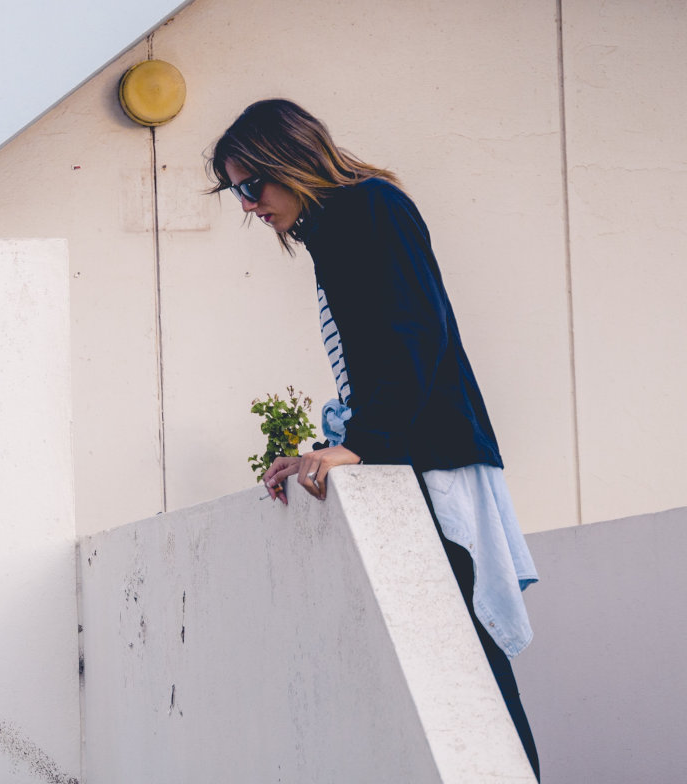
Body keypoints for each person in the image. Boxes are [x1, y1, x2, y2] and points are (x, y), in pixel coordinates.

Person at [208, 99, 540, 778]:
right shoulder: (337, 227)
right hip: (411, 453)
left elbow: (414, 333)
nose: (248, 206)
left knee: (472, 664)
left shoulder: (371, 209)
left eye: (251, 186)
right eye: (235, 191)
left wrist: (363, 444)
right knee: (448, 662)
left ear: (290, 162)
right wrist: (332, 445)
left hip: (436, 461)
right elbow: (377, 359)